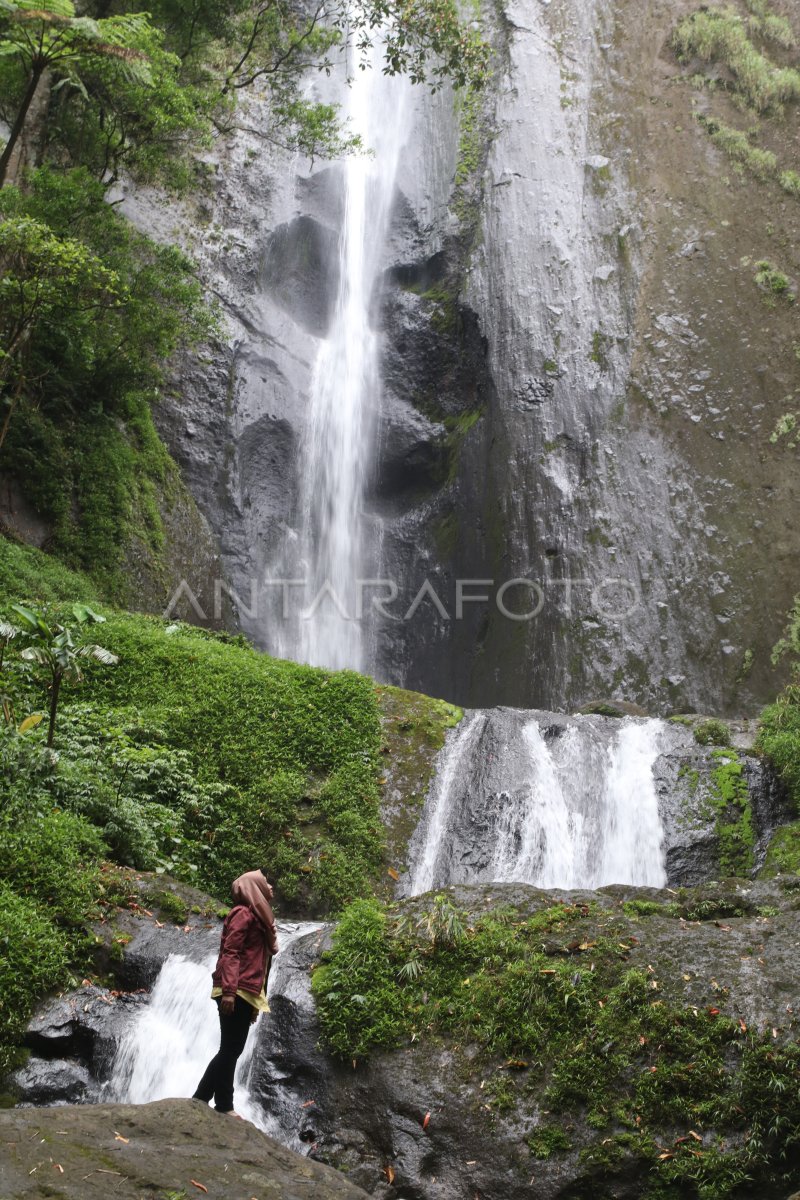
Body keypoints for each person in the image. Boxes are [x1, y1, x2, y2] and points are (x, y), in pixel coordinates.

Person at [192, 868, 278, 1115]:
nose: (271, 888)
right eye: (266, 884)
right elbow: (231, 952)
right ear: (254, 889)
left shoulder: (258, 918)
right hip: (234, 989)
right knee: (231, 1048)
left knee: (231, 1048)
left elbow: (260, 964)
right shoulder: (242, 914)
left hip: (244, 991)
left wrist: (255, 1002)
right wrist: (229, 991)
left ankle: (202, 1098)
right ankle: (222, 1104)